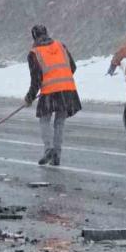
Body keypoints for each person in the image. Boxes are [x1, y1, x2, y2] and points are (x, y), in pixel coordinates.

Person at [24, 25, 81, 166]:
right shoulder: (61, 46)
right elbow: (72, 67)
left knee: (44, 120)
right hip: (67, 89)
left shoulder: (34, 53)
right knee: (60, 122)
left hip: (50, 91)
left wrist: (30, 97)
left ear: (34, 37)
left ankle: (49, 149)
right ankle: (57, 155)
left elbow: (36, 80)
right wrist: (60, 79)